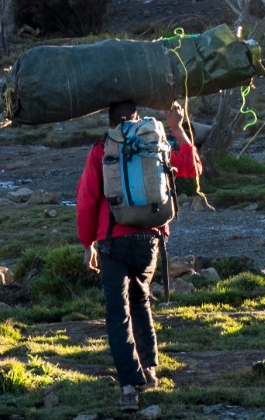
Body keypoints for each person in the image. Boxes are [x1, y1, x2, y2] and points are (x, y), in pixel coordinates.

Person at [77, 99, 198, 412]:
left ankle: (130, 387)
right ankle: (151, 370)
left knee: (118, 313)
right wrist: (176, 128)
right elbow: (192, 167)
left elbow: (88, 201)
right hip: (149, 239)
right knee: (141, 300)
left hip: (111, 241)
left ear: (110, 122)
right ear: (137, 119)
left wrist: (86, 242)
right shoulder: (153, 143)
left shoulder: (100, 150)